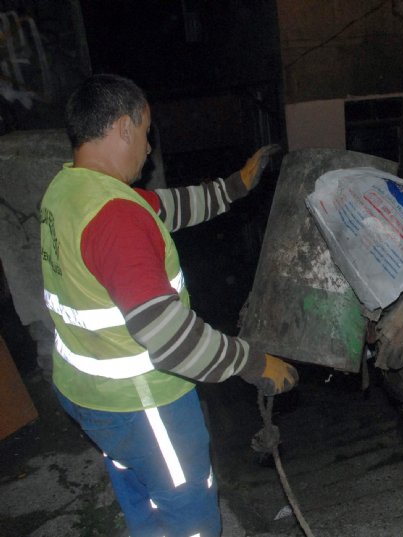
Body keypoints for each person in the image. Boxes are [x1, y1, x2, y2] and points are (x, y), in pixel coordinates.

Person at [39, 73, 298, 537]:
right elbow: (170, 338)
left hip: (89, 396)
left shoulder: (69, 191)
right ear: (122, 126)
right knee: (189, 514)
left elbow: (163, 207)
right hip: (143, 403)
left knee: (143, 497)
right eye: (145, 131)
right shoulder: (115, 217)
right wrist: (252, 362)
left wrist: (234, 187)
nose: (148, 146)